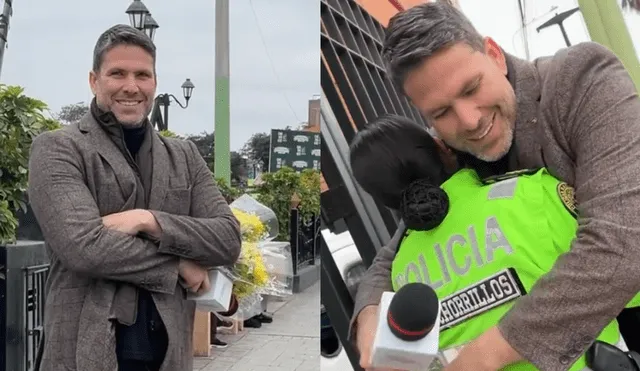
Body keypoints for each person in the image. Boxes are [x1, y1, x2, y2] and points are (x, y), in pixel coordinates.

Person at [350, 2, 640, 371]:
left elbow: (624, 237)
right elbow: (395, 248)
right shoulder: (449, 148)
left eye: (471, 88)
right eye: (441, 113)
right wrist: (370, 310)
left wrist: (487, 355)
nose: (468, 120)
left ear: (493, 53)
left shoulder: (580, 78)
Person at [349, 114, 640, 370]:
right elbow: (625, 277)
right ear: (441, 148)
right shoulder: (531, 193)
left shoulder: (400, 273)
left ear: (384, 200)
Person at [28, 24, 242, 371]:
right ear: (94, 80)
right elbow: (83, 247)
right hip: (84, 351)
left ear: (155, 83)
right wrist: (177, 265)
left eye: (143, 75)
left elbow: (228, 238)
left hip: (168, 353)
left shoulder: (183, 155)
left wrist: (148, 220)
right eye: (117, 74)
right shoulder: (58, 149)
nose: (131, 86)